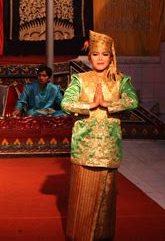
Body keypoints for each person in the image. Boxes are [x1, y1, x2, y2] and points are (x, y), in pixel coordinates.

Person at [61, 30, 138, 240]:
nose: (100, 58)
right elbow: (65, 103)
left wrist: (108, 104)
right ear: (89, 56)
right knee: (81, 197)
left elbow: (133, 101)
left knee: (105, 200)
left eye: (105, 54)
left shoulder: (121, 80)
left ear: (111, 56)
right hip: (84, 148)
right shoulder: (79, 79)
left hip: (109, 148)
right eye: (95, 54)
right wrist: (90, 105)